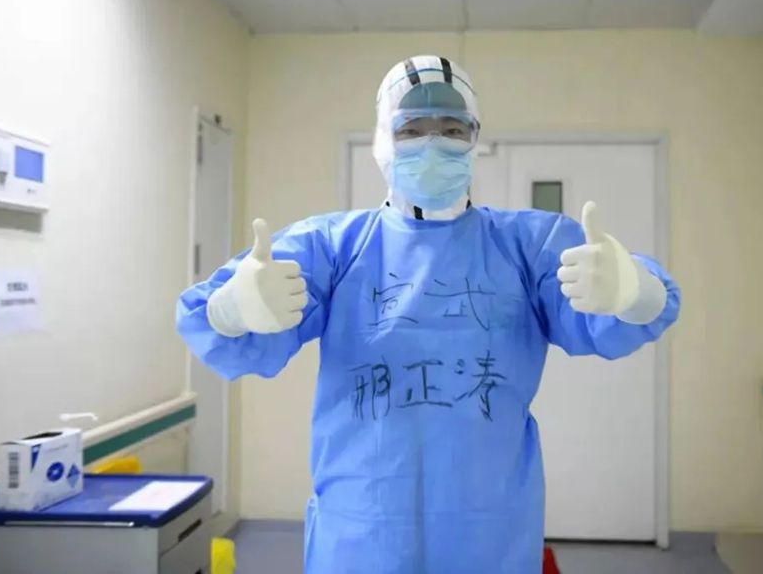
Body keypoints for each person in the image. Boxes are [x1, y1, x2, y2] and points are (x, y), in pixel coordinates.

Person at [177, 55, 680, 574]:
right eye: (411, 129)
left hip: (488, 533)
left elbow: (632, 312)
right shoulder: (334, 247)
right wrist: (234, 309)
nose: (433, 144)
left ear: (474, 139)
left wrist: (632, 291)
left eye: (452, 129)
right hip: (363, 530)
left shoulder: (527, 246)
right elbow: (210, 320)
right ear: (382, 140)